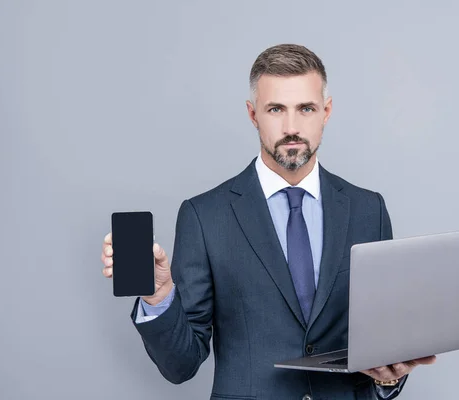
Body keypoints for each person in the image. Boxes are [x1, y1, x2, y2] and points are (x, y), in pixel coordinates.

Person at [101, 43, 436, 399]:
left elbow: (382, 345)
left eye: (306, 108)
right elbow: (180, 366)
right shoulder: (205, 216)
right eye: (276, 109)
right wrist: (159, 297)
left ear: (326, 111)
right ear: (252, 114)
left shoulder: (369, 209)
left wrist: (388, 377)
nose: (291, 127)